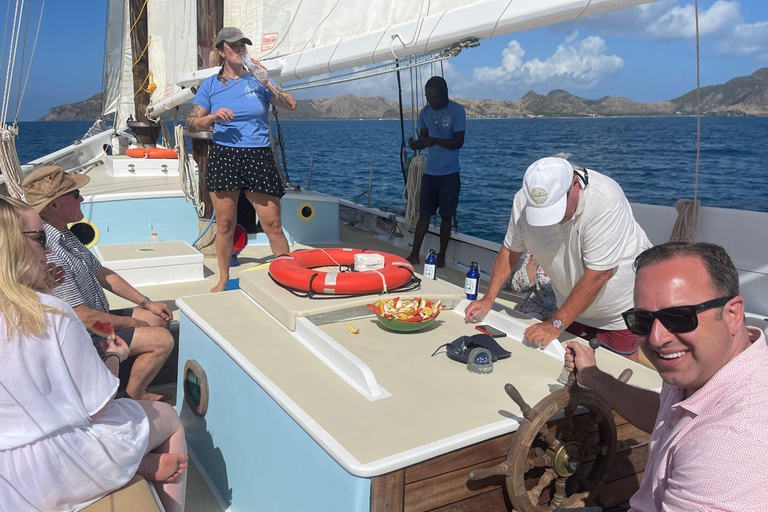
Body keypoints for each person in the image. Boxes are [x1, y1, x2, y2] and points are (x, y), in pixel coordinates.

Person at [0, 197, 187, 512]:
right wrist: (116, 356)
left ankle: (135, 457)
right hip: (62, 464)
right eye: (39, 239)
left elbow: (103, 274)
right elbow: (96, 406)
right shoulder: (52, 311)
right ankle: (138, 459)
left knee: (154, 325)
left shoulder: (69, 241)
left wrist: (144, 303)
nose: (46, 249)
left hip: (11, 481)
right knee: (169, 416)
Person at [565, 242, 768, 511]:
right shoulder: (705, 368)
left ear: (732, 314)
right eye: (642, 320)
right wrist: (591, 375)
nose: (657, 338)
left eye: (679, 317)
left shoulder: (734, 443)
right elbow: (666, 415)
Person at [465, 156, 651, 361]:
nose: (551, 220)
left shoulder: (605, 199)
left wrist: (555, 324)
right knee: (567, 372)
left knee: (619, 376)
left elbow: (600, 274)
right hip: (569, 307)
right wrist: (488, 298)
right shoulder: (523, 201)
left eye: (555, 208)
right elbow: (510, 251)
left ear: (575, 185)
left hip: (617, 311)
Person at [22, 165, 174, 402]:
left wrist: (147, 303)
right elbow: (84, 318)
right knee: (162, 340)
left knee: (157, 317)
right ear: (54, 205)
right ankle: (133, 403)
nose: (81, 198)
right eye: (75, 195)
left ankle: (130, 386)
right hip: (85, 333)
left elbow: (101, 273)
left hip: (95, 320)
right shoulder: (50, 253)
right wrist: (133, 321)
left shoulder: (65, 234)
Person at [187, 26, 297, 293]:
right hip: (225, 154)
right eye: (234, 46)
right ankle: (223, 278)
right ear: (221, 50)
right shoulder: (210, 85)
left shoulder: (258, 81)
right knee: (225, 224)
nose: (239, 50)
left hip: (258, 154)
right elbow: (192, 121)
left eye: (242, 46)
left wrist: (267, 81)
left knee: (272, 224)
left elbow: (291, 104)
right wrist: (212, 117)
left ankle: (287, 278)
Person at [406, 76, 466, 268]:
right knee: (424, 213)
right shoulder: (425, 112)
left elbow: (459, 142)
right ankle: (414, 254)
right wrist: (416, 144)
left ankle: (442, 257)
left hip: (449, 173)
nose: (431, 101)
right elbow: (424, 140)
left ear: (444, 94)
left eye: (434, 98)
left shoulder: (457, 111)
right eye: (428, 97)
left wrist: (436, 140)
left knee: (446, 215)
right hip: (430, 173)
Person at [509, 250, 556, 320]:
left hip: (570, 309)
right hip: (539, 306)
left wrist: (559, 316)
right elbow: (519, 286)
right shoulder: (537, 245)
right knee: (527, 326)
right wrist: (535, 258)